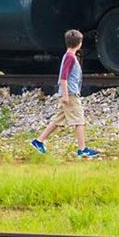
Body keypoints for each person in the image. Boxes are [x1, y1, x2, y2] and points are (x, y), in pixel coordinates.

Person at [30, 28, 100, 159]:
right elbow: (63, 77)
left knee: (58, 120)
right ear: (79, 43)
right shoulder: (70, 57)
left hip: (69, 92)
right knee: (79, 121)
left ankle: (38, 141)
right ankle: (82, 149)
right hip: (71, 94)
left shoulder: (69, 56)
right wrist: (66, 95)